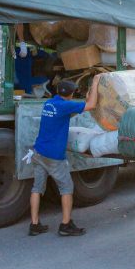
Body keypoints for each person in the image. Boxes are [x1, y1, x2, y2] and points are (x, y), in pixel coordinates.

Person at [29, 74, 101, 236]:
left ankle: (34, 224)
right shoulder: (65, 106)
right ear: (70, 94)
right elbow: (91, 105)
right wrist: (95, 83)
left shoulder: (50, 104)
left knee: (37, 188)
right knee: (67, 188)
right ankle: (66, 224)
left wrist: (86, 97)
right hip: (53, 156)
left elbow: (73, 111)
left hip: (38, 152)